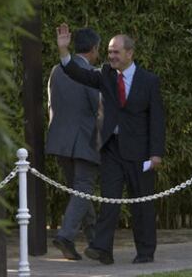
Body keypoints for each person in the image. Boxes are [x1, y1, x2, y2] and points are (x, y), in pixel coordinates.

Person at [56, 23, 165, 264]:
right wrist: (64, 52)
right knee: (110, 200)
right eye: (109, 51)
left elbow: (157, 119)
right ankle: (102, 249)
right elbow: (78, 73)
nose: (111, 56)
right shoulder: (105, 74)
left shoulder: (149, 81)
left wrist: (156, 153)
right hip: (111, 149)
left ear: (129, 53)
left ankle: (146, 252)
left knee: (142, 204)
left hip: (140, 152)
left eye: (116, 52)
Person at [46, 27, 103, 260]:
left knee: (80, 191)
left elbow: (51, 105)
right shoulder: (91, 74)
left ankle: (95, 241)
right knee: (84, 189)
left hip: (60, 141)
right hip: (85, 140)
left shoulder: (56, 71)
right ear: (94, 49)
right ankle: (66, 236)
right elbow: (98, 109)